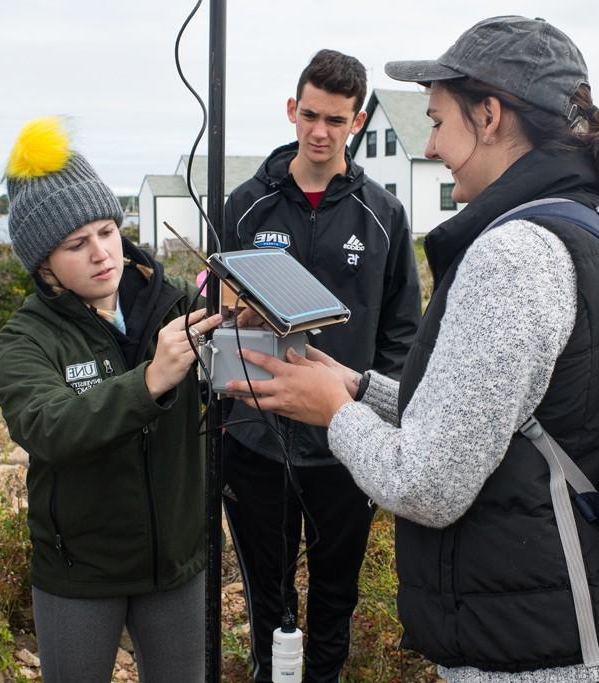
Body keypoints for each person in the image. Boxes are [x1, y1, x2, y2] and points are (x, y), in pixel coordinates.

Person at [226, 16, 599, 683]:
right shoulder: (587, 221)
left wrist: (336, 411)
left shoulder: (511, 257)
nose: (430, 146)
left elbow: (428, 484)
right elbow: (498, 414)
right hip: (577, 617)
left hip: (537, 641)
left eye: (437, 120)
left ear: (488, 116)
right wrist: (362, 388)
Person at [0, 117, 223, 683]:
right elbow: (47, 426)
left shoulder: (173, 308)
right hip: (80, 571)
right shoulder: (27, 338)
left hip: (177, 561)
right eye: (77, 243)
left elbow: (225, 400)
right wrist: (149, 380)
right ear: (43, 264)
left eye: (106, 231)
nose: (102, 253)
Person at [221, 49, 421, 682]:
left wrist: (370, 414)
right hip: (255, 439)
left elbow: (402, 332)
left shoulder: (384, 217)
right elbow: (217, 310)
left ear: (356, 122)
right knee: (266, 598)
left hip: (345, 441)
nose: (319, 132)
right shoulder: (245, 206)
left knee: (336, 596)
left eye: (336, 120)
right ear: (291, 109)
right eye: (309, 115)